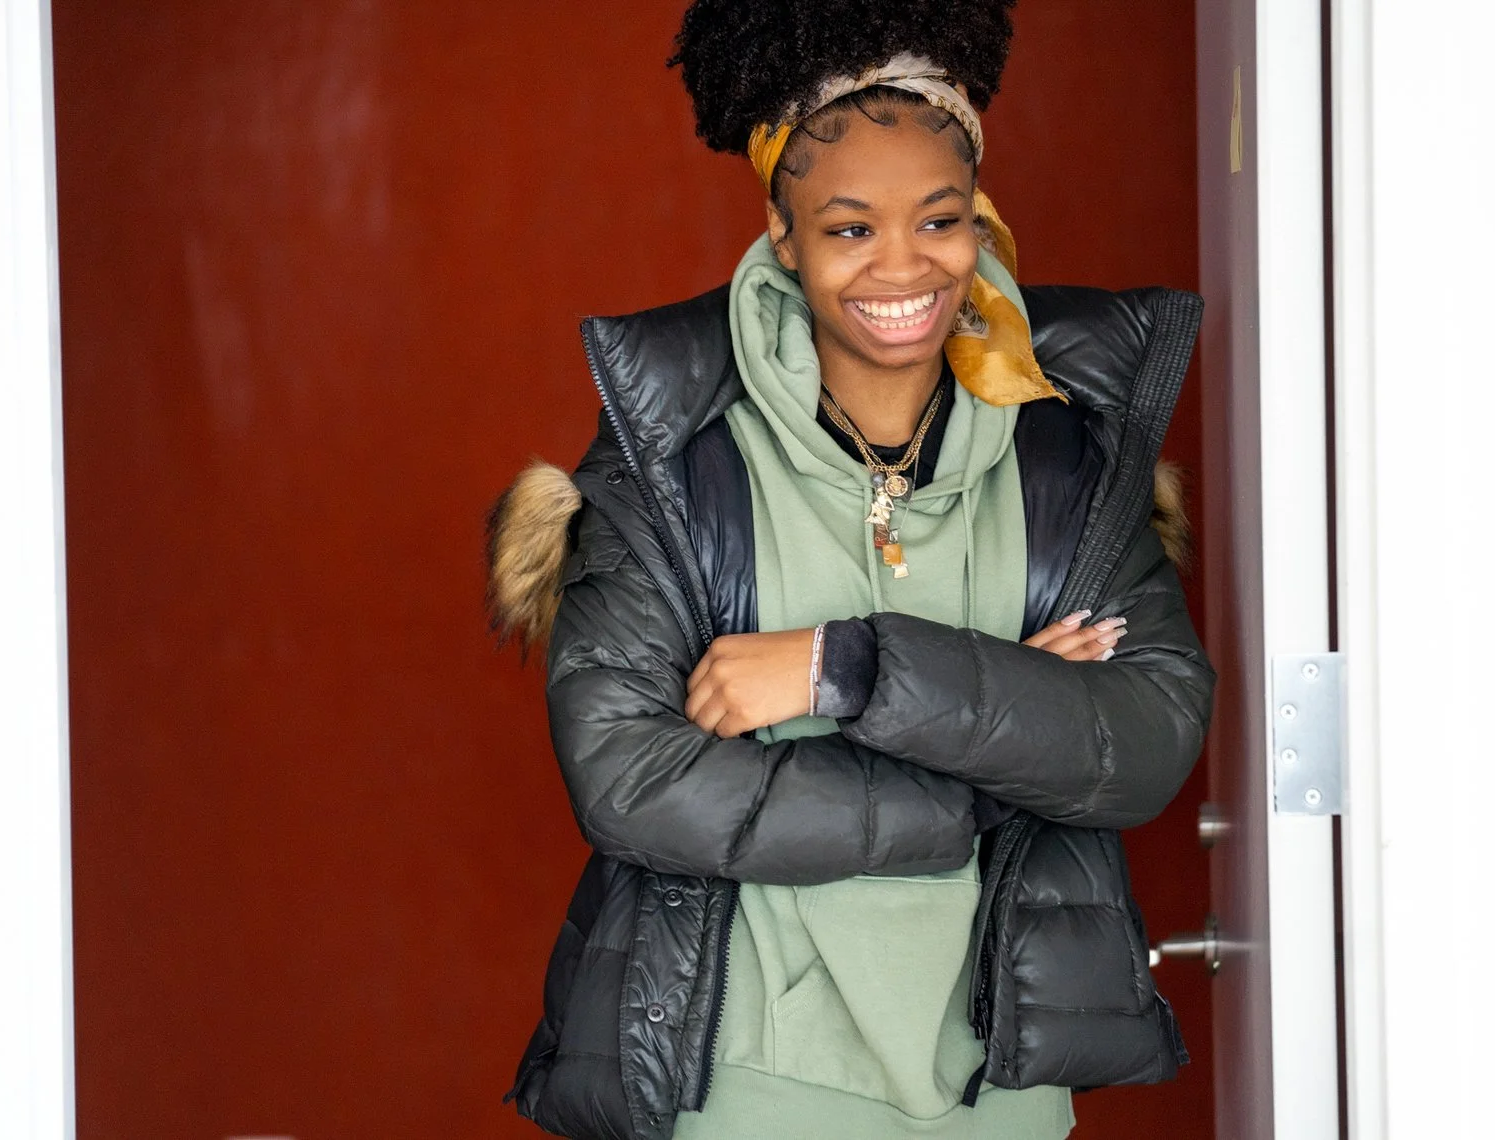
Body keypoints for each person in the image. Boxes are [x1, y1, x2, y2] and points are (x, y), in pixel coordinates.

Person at [486, 2, 1214, 1136]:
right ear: (784, 237)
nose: (903, 266)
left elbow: (1144, 742)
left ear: (979, 222)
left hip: (1005, 1082)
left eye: (940, 220)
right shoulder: (675, 453)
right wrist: (997, 747)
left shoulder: (1070, 451)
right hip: (747, 1079)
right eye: (849, 228)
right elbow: (628, 776)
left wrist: (845, 669)